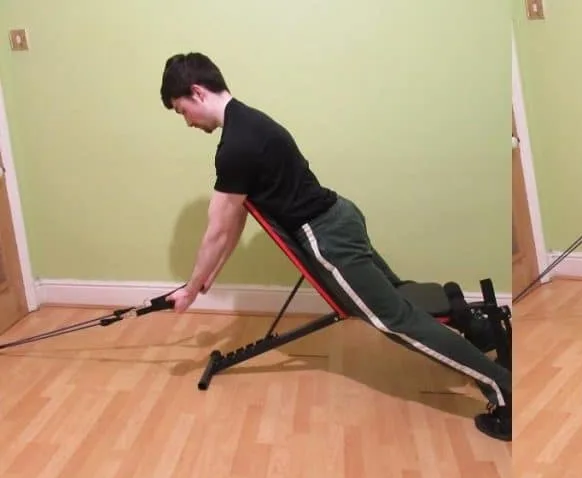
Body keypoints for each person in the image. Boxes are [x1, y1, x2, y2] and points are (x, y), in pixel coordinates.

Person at [158, 52, 511, 441]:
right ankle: (474, 325)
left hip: (327, 238)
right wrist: (208, 276)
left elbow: (217, 231)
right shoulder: (251, 120)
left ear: (196, 92)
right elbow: (233, 221)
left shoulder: (235, 146)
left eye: (182, 111)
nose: (188, 122)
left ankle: (503, 389)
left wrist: (190, 289)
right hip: (341, 214)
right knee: (396, 295)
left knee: (395, 320)